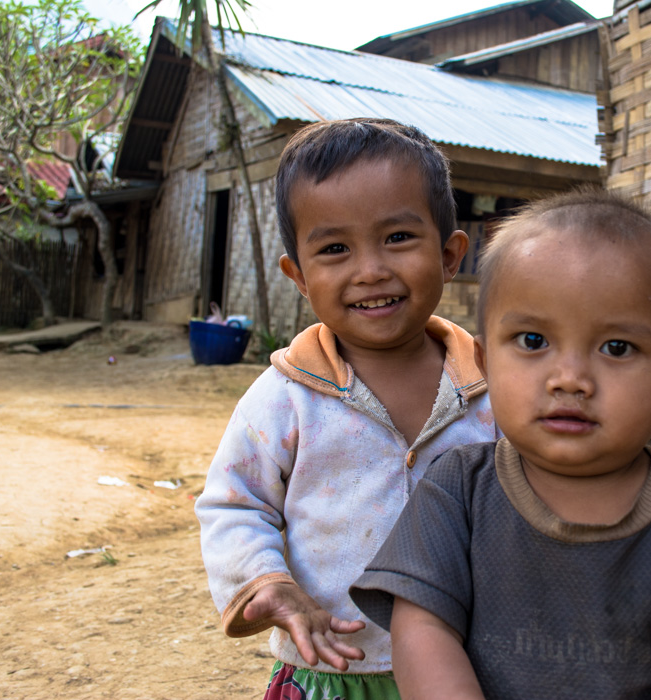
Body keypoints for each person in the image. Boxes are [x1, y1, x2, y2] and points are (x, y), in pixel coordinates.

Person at [350, 189, 651, 700]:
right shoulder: (458, 490)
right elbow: (422, 630)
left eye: (617, 348)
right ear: (485, 364)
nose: (570, 379)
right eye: (534, 341)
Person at [195, 118, 498, 700]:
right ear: (299, 277)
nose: (370, 270)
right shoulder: (284, 397)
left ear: (452, 253)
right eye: (335, 249)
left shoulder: (494, 388)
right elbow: (235, 504)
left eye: (399, 239)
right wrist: (267, 581)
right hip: (334, 667)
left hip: (469, 671)